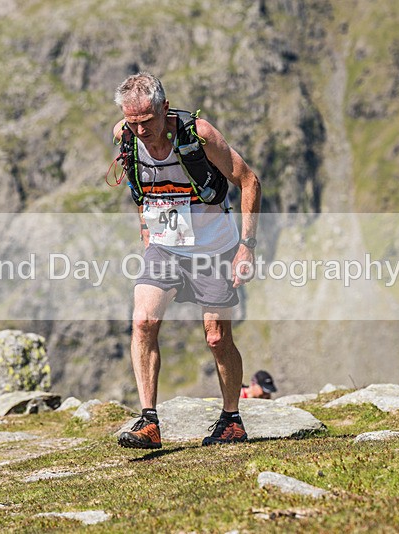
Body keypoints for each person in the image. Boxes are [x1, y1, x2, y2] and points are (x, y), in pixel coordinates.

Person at [112, 73, 261, 449]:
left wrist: (247, 246)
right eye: (134, 122)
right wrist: (145, 229)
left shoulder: (199, 135)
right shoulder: (125, 136)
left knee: (216, 338)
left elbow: (249, 181)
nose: (141, 130)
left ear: (165, 108)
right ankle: (149, 421)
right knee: (143, 320)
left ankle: (231, 420)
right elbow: (138, 185)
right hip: (164, 246)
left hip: (214, 249)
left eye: (148, 121)